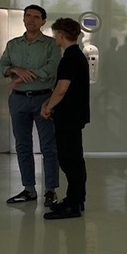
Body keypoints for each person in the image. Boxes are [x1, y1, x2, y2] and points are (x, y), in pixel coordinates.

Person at [0, 4, 60, 206]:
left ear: (43, 21)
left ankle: (50, 190)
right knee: (22, 145)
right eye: (28, 16)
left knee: (48, 146)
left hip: (44, 99)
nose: (31, 20)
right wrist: (16, 69)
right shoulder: (13, 44)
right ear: (23, 19)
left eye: (36, 17)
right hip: (18, 100)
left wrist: (22, 76)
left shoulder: (51, 44)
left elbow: (51, 69)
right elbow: (0, 69)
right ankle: (29, 189)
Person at [40, 18, 90, 220]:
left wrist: (48, 107)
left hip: (68, 116)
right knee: (75, 158)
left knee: (68, 159)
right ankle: (77, 198)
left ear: (61, 35)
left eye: (56, 35)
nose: (55, 39)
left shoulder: (69, 58)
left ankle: (72, 203)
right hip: (74, 115)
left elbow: (61, 89)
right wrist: (48, 102)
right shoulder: (78, 56)